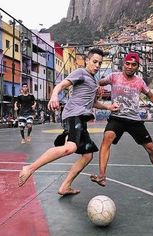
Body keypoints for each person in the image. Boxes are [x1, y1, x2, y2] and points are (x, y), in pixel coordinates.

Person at [18, 48, 119, 195]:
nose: (97, 65)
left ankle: (65, 186)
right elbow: (61, 85)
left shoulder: (93, 80)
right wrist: (54, 96)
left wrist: (109, 107)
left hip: (81, 118)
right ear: (87, 61)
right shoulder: (81, 72)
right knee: (70, 148)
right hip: (73, 115)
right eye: (94, 62)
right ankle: (30, 168)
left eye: (100, 63)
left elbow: (92, 103)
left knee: (87, 155)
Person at [90, 52, 153, 187]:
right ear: (123, 64)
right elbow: (98, 82)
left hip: (134, 120)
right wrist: (99, 85)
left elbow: (152, 97)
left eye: (133, 65)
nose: (130, 67)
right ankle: (101, 175)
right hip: (117, 118)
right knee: (107, 137)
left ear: (137, 67)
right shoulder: (114, 77)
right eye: (127, 64)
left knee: (151, 148)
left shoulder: (139, 82)